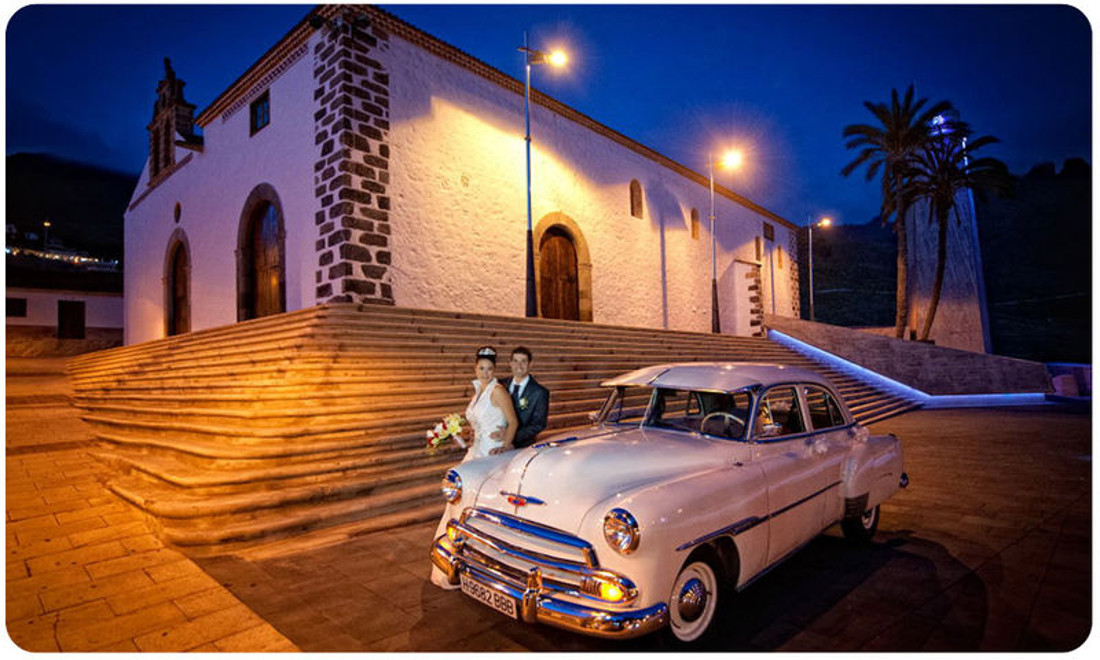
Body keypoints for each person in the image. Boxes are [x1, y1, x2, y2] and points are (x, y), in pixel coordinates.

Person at [461, 346, 518, 461]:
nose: (485, 373)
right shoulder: (478, 392)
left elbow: (513, 421)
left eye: (489, 369)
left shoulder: (497, 390)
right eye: (481, 368)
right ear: (475, 369)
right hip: (476, 447)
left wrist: (505, 447)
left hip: (492, 448)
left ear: (494, 370)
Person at [499, 346, 550, 449]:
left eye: (523, 361)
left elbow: (538, 424)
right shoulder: (500, 385)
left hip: (522, 447)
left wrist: (510, 435)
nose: (519, 365)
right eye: (515, 361)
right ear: (510, 363)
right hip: (496, 441)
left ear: (530, 364)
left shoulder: (539, 392)